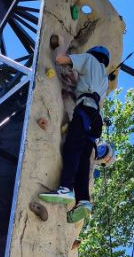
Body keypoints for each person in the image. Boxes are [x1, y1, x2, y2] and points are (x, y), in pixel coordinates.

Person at [39, 44, 111, 223]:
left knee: (72, 149)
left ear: (93, 54)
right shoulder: (104, 79)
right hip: (96, 119)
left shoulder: (89, 59)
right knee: (83, 160)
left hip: (85, 110)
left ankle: (65, 188)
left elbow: (60, 60)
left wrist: (63, 50)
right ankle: (83, 200)